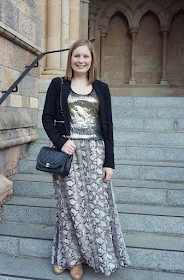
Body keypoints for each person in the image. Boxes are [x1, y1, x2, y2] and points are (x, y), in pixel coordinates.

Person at [42, 39, 130, 280]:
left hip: (96, 153)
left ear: (92, 60)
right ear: (70, 58)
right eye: (76, 56)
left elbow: (108, 126)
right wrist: (61, 142)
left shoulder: (101, 88)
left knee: (97, 208)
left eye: (85, 57)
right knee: (70, 208)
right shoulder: (58, 85)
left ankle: (96, 255)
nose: (81, 60)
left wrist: (109, 162)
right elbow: (47, 119)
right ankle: (72, 259)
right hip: (67, 153)